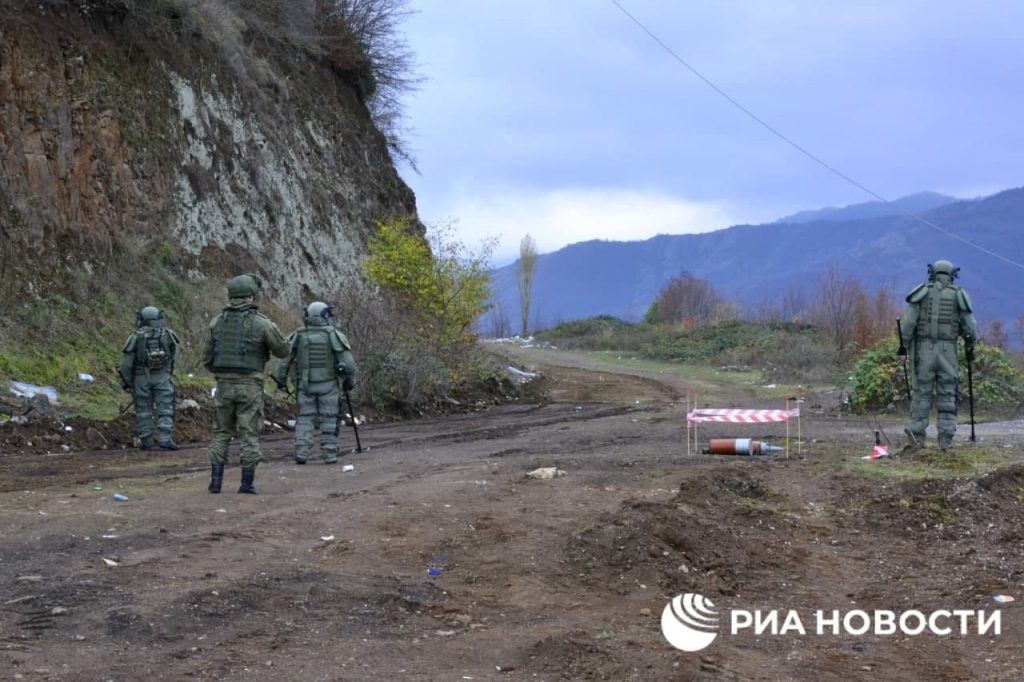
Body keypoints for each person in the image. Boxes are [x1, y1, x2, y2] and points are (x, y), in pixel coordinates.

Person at [202, 274, 291, 494]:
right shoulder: (261, 323)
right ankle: (246, 484)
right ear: (251, 296)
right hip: (250, 385)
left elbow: (207, 359)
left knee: (221, 432)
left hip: (223, 385)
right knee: (249, 433)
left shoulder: (216, 322)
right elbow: (284, 350)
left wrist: (224, 374)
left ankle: (215, 483)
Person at [898, 259, 978, 451]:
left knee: (921, 394)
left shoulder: (921, 292)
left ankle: (917, 438)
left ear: (933, 272)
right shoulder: (959, 295)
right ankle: (946, 440)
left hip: (924, 351)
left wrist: (903, 348)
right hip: (948, 351)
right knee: (947, 395)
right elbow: (971, 329)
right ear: (951, 274)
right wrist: (969, 347)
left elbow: (908, 324)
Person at [275, 301, 358, 464]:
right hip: (329, 386)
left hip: (305, 386)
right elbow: (349, 365)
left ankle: (302, 452)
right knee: (329, 418)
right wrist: (350, 382)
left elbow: (283, 361)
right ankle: (329, 454)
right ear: (325, 316)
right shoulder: (334, 335)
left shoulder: (297, 335)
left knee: (305, 418)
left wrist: (281, 381)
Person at [119, 306, 180, 450]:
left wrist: (127, 382)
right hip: (163, 377)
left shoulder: (135, 337)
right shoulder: (168, 335)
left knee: (143, 410)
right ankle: (165, 438)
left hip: (141, 379)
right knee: (165, 408)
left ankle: (146, 440)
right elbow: (173, 358)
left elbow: (126, 365)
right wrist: (167, 373)